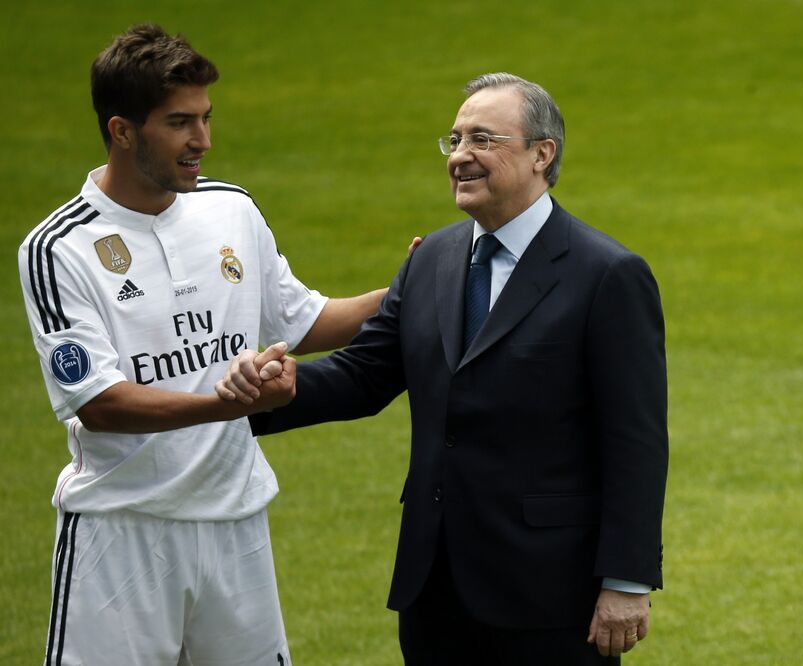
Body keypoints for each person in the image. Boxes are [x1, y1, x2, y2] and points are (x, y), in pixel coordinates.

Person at [220, 72, 668, 664]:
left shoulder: (607, 275)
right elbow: (365, 374)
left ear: (542, 154)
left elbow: (635, 440)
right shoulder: (431, 257)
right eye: (453, 141)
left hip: (551, 594)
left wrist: (627, 582)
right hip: (433, 586)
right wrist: (282, 388)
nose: (460, 156)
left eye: (482, 140)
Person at [17, 24, 393, 666]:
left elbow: (304, 321)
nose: (203, 141)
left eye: (206, 118)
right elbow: (99, 403)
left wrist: (420, 286)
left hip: (234, 522)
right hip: (121, 532)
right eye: (179, 123)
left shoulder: (231, 209)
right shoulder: (59, 248)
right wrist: (227, 404)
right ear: (122, 130)